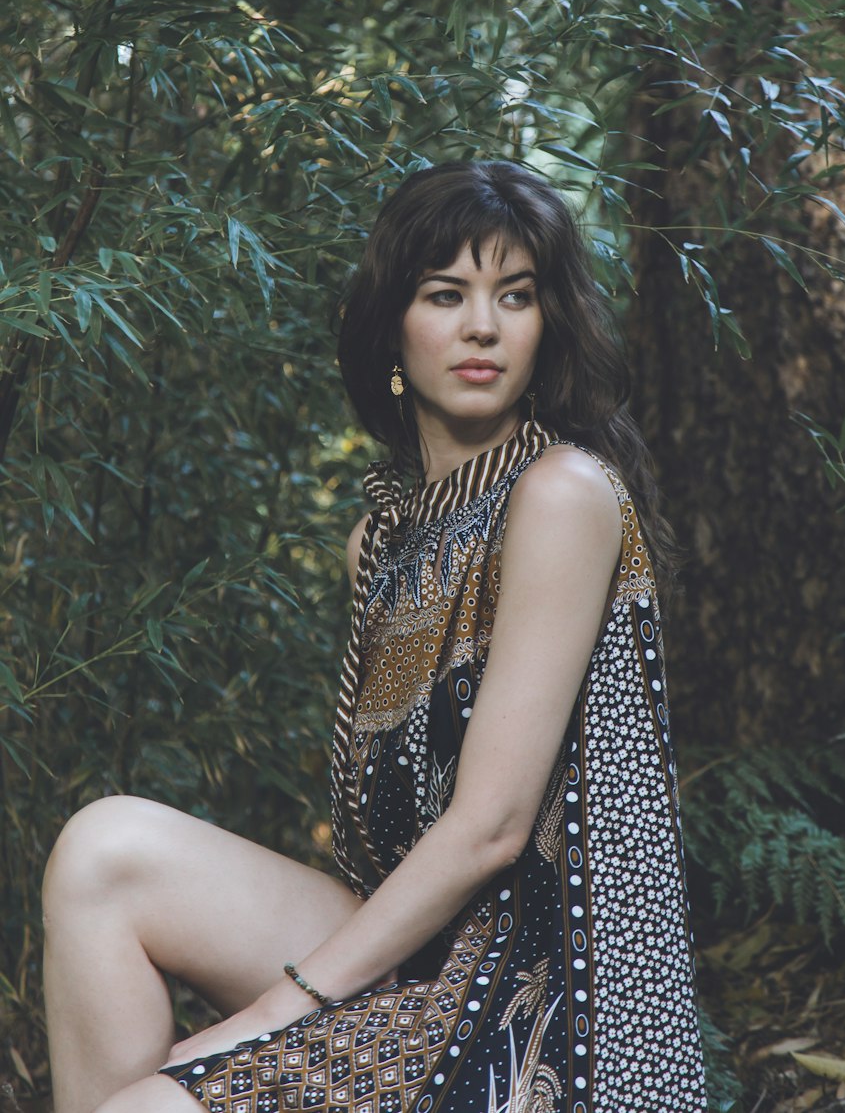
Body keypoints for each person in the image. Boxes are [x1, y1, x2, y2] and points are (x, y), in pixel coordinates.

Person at [42, 160, 707, 1113]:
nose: (483, 326)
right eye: (448, 295)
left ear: (546, 326)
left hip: (550, 1005)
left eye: (514, 297)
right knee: (102, 853)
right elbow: (385, 843)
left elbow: (490, 829)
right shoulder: (386, 537)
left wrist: (277, 1008)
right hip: (425, 955)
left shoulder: (562, 494)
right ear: (395, 324)